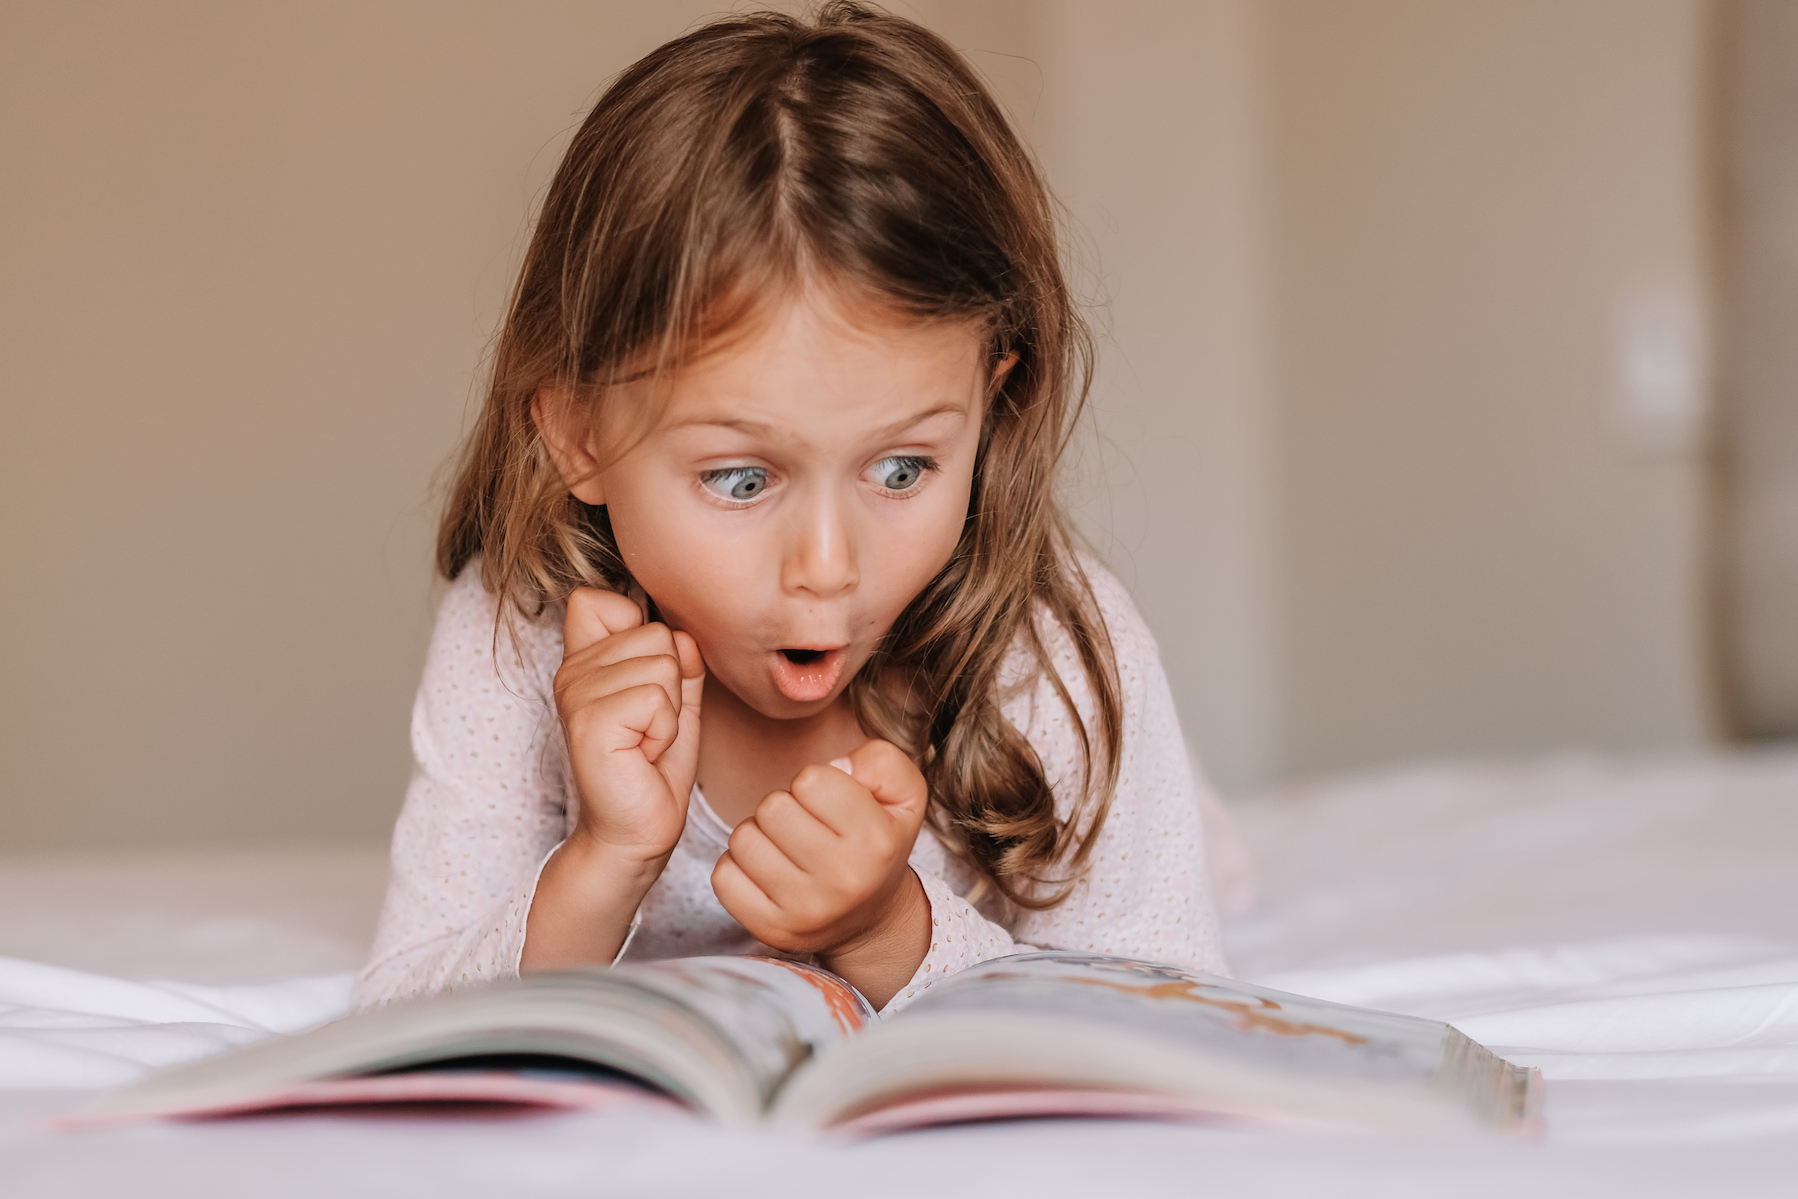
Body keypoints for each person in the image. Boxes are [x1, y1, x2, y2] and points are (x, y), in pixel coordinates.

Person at [354, 2, 1228, 1015]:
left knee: (1204, 847)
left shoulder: (1055, 651)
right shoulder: (520, 631)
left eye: (901, 469)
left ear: (993, 404)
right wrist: (604, 859)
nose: (826, 566)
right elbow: (395, 1018)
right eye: (740, 479)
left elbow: (1165, 1013)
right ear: (578, 435)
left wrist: (889, 929)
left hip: (1129, 787)